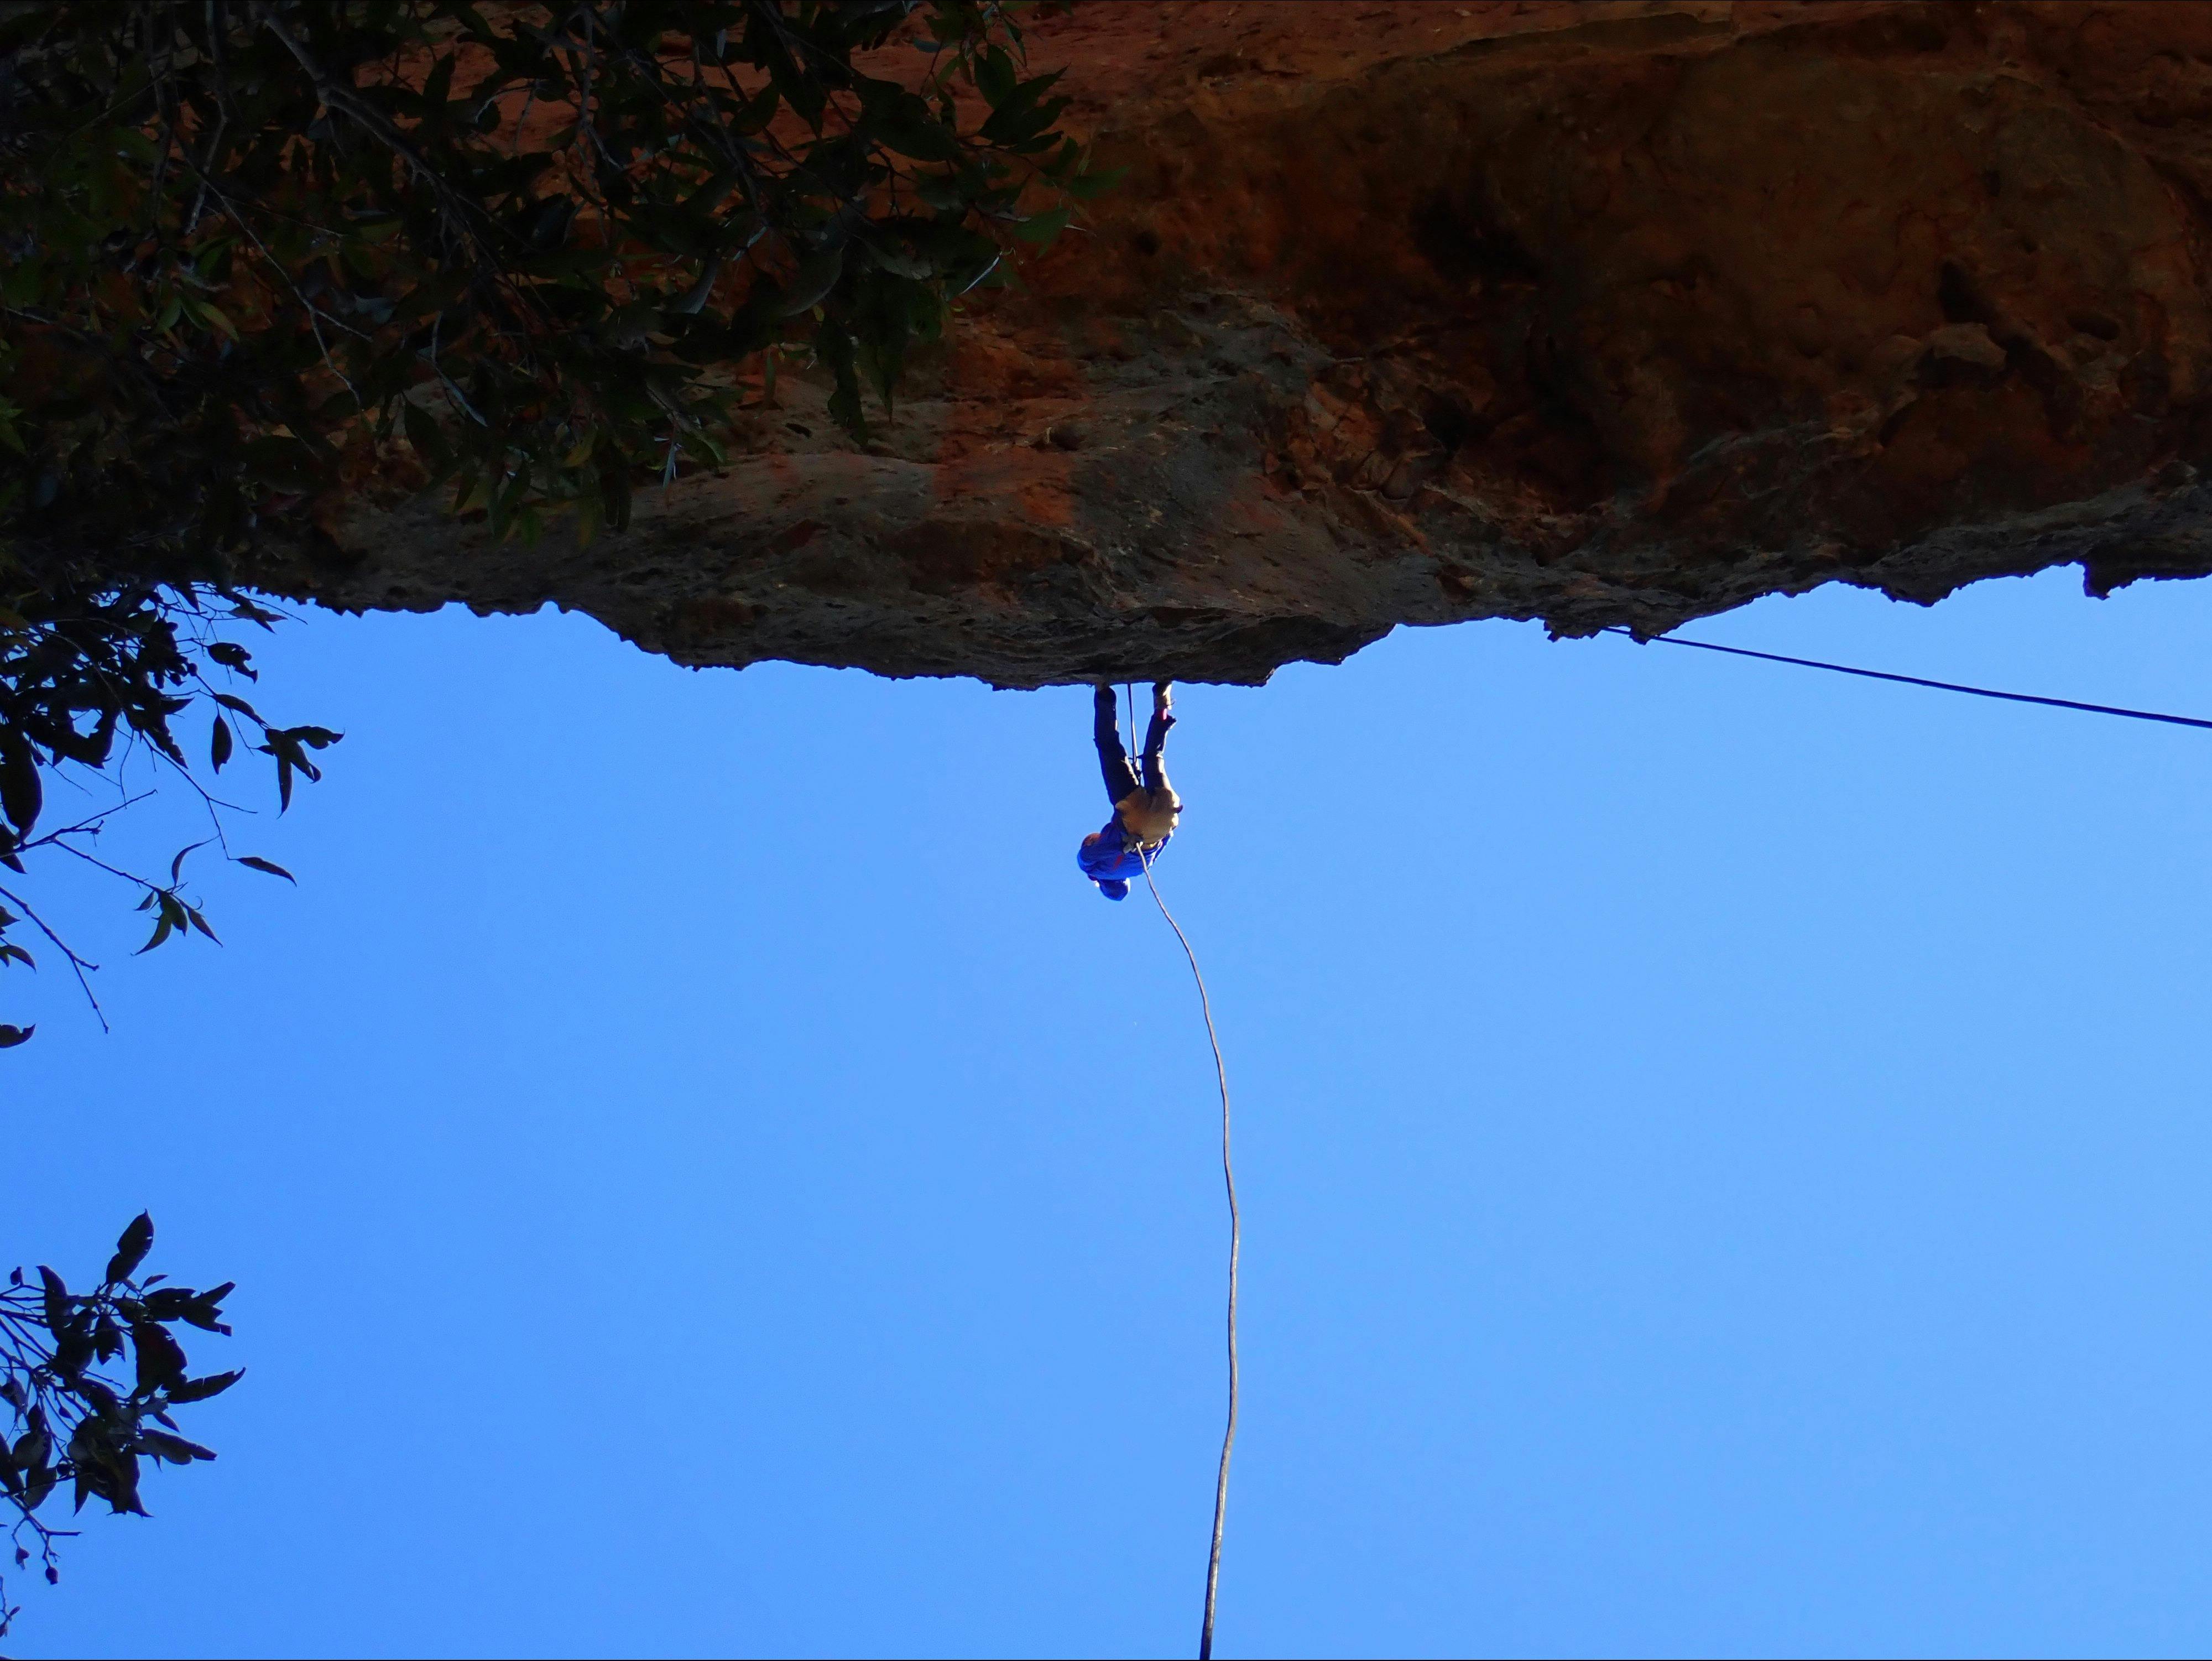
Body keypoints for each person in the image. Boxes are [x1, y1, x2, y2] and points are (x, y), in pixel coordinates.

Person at [1078, 681, 1181, 901]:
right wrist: (1120, 848)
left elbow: (1166, 840)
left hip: (1165, 819)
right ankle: (1103, 690)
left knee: (1154, 758)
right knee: (1108, 746)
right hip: (1135, 818)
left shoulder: (1140, 870)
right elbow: (1088, 856)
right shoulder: (1094, 870)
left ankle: (1162, 705)